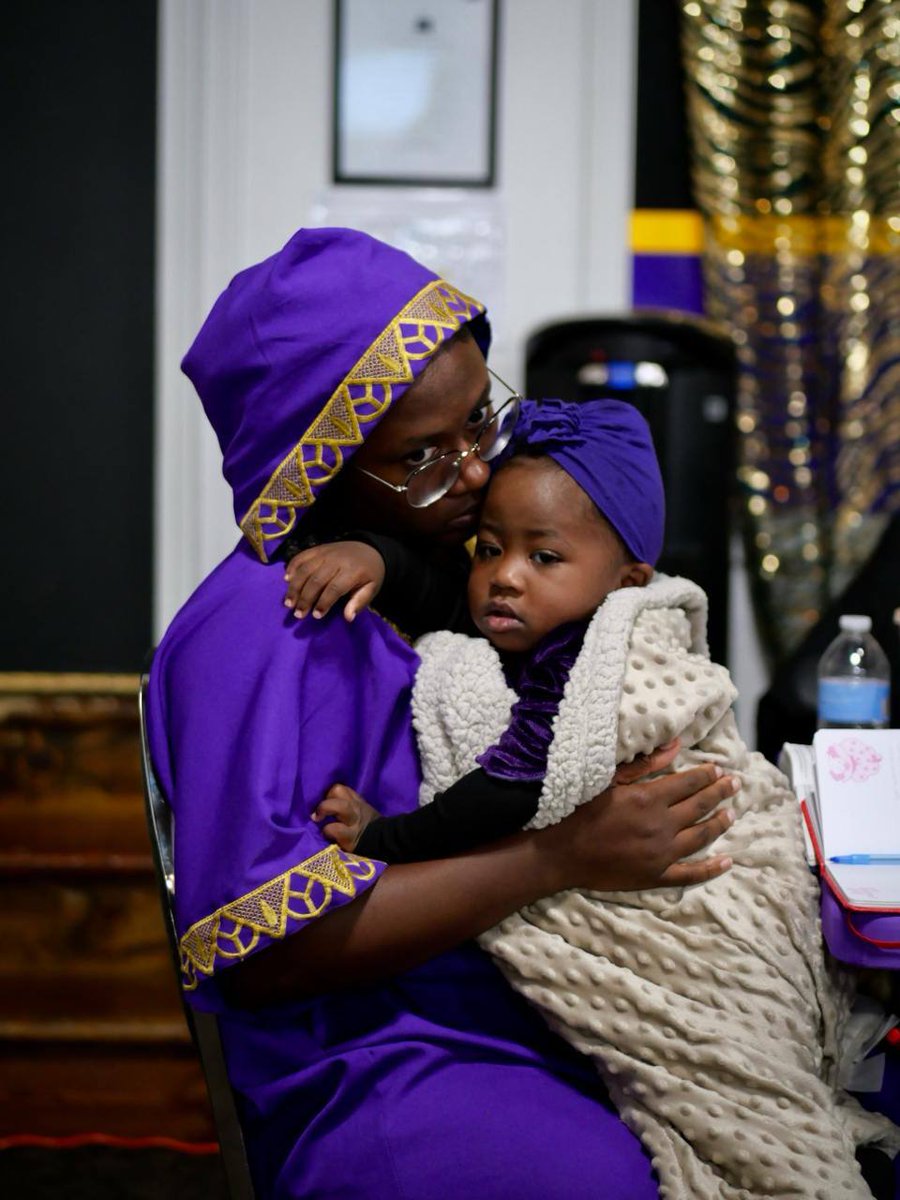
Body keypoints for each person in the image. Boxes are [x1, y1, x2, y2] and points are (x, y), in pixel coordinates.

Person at [147, 226, 741, 1200]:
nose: (473, 472)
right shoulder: (268, 626)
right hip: (377, 1063)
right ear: (317, 462)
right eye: (425, 455)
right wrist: (564, 855)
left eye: (481, 423)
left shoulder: (415, 572)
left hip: (490, 1005)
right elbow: (266, 957)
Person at [287, 399, 900, 1197]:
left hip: (702, 908)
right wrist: (378, 559)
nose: (504, 575)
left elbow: (518, 785)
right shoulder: (542, 618)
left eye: (544, 558)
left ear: (628, 579)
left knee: (741, 1092)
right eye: (490, 549)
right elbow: (445, 600)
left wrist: (385, 840)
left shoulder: (607, 657)